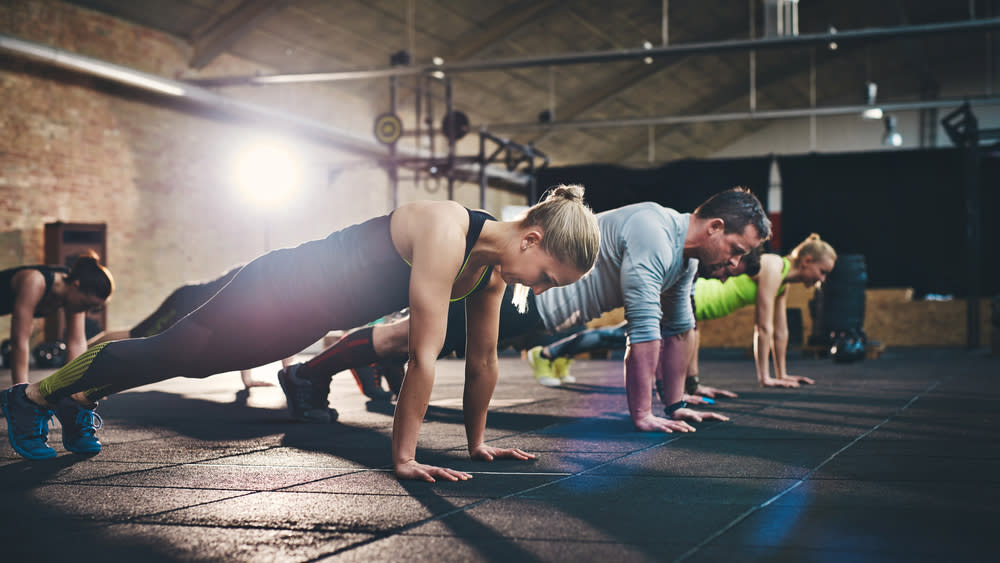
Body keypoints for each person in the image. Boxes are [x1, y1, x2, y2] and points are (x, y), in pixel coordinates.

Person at [1, 186, 600, 484]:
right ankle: (31, 397)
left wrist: (475, 445)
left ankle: (82, 397)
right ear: (532, 241)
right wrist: (404, 458)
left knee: (195, 364)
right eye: (548, 278)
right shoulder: (447, 228)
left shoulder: (489, 272)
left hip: (305, 316)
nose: (542, 290)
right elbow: (422, 353)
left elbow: (484, 361)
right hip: (281, 284)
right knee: (175, 350)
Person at [281, 187, 770, 434]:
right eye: (736, 248)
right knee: (408, 337)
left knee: (412, 337)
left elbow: (680, 328)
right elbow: (643, 331)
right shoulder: (654, 230)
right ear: (715, 227)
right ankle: (306, 373)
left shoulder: (682, 261)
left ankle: (366, 361)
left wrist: (680, 399)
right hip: (528, 295)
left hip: (542, 310)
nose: (736, 263)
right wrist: (643, 413)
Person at [88, 266, 281, 389]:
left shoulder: (272, 294)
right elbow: (257, 332)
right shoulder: (261, 283)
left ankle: (83, 350)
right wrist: (249, 379)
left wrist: (251, 380)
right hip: (185, 302)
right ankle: (84, 350)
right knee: (138, 335)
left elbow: (279, 334)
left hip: (200, 307)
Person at [687, 233, 837, 390]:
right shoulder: (773, 266)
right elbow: (762, 327)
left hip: (702, 306)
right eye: (822, 272)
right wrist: (765, 378)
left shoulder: (783, 282)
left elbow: (780, 332)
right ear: (807, 261)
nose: (823, 279)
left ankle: (691, 386)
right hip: (701, 297)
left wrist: (782, 374)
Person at [1, 251, 114, 388]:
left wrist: (79, 387)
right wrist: (20, 391)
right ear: (75, 285)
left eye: (93, 308)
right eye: (86, 304)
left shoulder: (75, 288)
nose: (86, 312)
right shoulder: (35, 282)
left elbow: (76, 342)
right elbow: (19, 340)